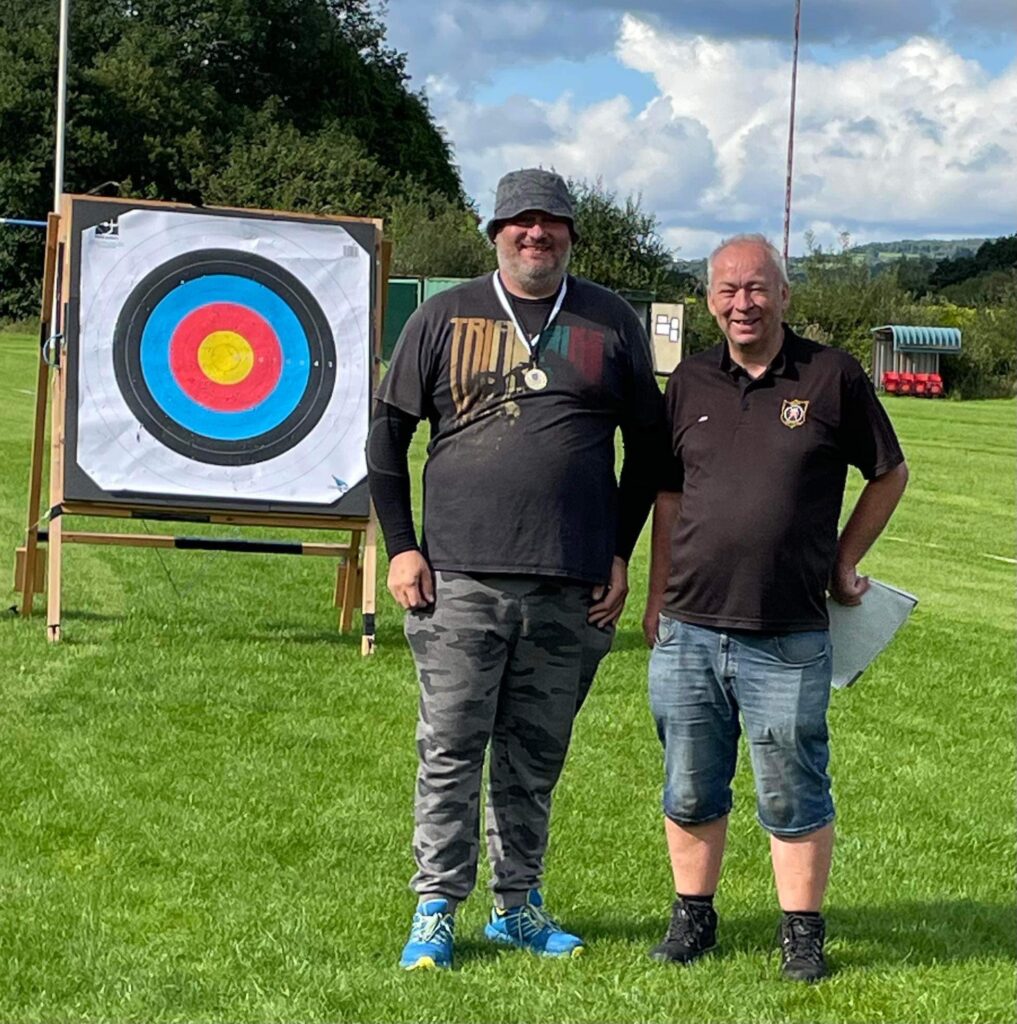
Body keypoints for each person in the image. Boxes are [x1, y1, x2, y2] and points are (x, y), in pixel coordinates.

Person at [367, 168, 665, 970]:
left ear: (571, 233)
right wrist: (401, 544)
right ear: (494, 231)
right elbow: (386, 439)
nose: (537, 236)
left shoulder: (609, 321)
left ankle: (516, 906)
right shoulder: (441, 314)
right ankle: (435, 908)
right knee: (452, 748)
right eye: (520, 223)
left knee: (535, 756)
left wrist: (618, 551)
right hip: (458, 577)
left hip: (570, 583)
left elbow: (649, 450)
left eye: (551, 224)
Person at [643, 234, 908, 982]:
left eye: (756, 288)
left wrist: (843, 559)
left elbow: (888, 474)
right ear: (708, 302)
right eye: (726, 290)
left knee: (793, 784)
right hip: (689, 626)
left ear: (784, 294)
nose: (742, 303)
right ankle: (692, 917)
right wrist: (659, 595)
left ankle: (801, 933)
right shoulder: (688, 381)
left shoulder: (832, 376)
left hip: (787, 630)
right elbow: (667, 496)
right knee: (689, 783)